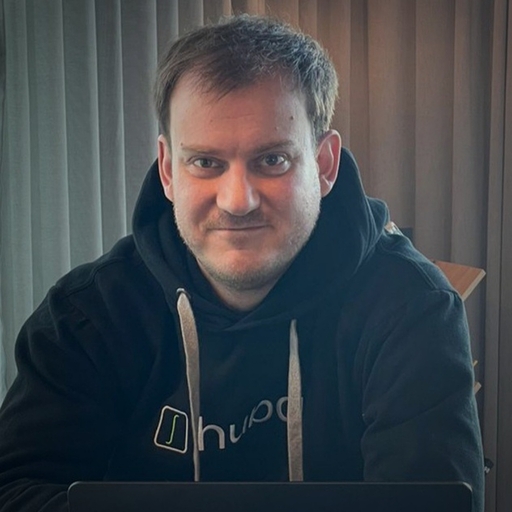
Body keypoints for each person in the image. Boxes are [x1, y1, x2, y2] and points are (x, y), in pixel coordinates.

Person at [0, 14, 484, 512]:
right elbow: (15, 489)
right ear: (168, 170)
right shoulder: (88, 316)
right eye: (205, 162)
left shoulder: (410, 307)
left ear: (324, 165)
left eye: (272, 160)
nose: (237, 201)